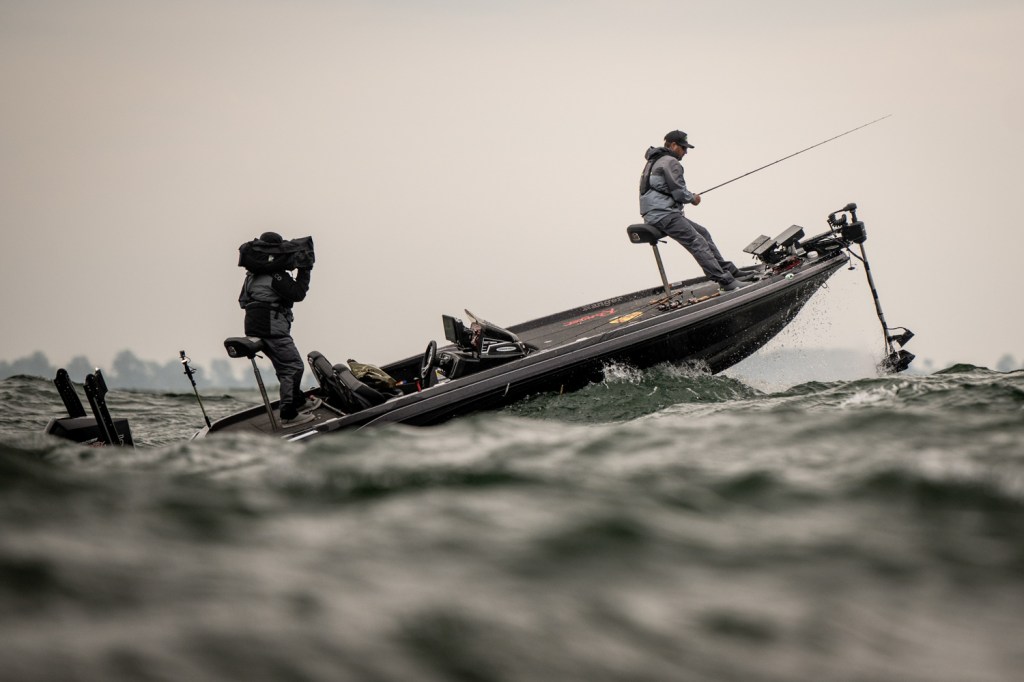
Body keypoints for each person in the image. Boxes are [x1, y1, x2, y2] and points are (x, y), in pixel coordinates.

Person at [639, 130, 747, 291]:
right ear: (673, 145)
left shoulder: (655, 160)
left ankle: (730, 271)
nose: (686, 152)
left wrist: (687, 196)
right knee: (697, 242)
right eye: (683, 148)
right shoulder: (670, 162)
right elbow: (679, 193)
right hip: (664, 214)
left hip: (655, 214)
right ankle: (725, 281)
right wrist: (693, 198)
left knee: (703, 233)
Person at [238, 231, 319, 426]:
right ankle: (288, 414)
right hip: (272, 329)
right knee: (293, 367)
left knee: (284, 367)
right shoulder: (276, 276)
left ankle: (297, 401)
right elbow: (298, 294)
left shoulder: (250, 277)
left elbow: (242, 302)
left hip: (254, 328)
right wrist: (305, 270)